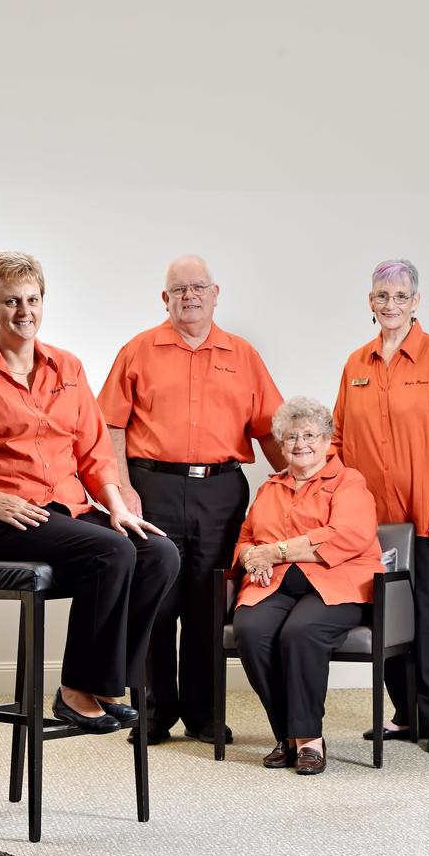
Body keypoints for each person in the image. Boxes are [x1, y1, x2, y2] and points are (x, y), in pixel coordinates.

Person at [0, 251, 179, 734]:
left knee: (159, 552)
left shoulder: (68, 366)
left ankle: (106, 684)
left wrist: (119, 508)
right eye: (11, 301)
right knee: (110, 551)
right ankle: (75, 690)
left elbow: (95, 454)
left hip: (67, 511)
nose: (24, 311)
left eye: (33, 299)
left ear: (44, 302)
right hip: (0, 522)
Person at [97, 254, 285, 744]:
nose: (189, 296)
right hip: (150, 485)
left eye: (198, 287)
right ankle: (154, 712)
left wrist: (306, 483)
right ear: (165, 298)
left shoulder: (243, 355)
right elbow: (109, 425)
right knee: (155, 601)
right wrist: (122, 488)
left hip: (221, 492)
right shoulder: (137, 350)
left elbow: (271, 430)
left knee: (209, 603)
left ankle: (204, 714)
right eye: (179, 290)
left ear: (215, 293)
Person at [332, 259, 429, 754]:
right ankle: (404, 714)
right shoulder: (357, 363)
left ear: (416, 302)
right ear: (369, 302)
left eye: (400, 296)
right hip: (378, 521)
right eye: (381, 296)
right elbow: (337, 437)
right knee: (389, 610)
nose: (389, 305)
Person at [232, 397, 381, 774]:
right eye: (291, 437)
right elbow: (246, 538)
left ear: (328, 439)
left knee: (300, 632)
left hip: (337, 584)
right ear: (280, 446)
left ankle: (309, 738)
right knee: (250, 629)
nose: (301, 444)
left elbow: (348, 535)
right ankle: (285, 735)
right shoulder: (270, 488)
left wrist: (276, 551)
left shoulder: (349, 481)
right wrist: (251, 557)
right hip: (276, 586)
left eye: (311, 435)